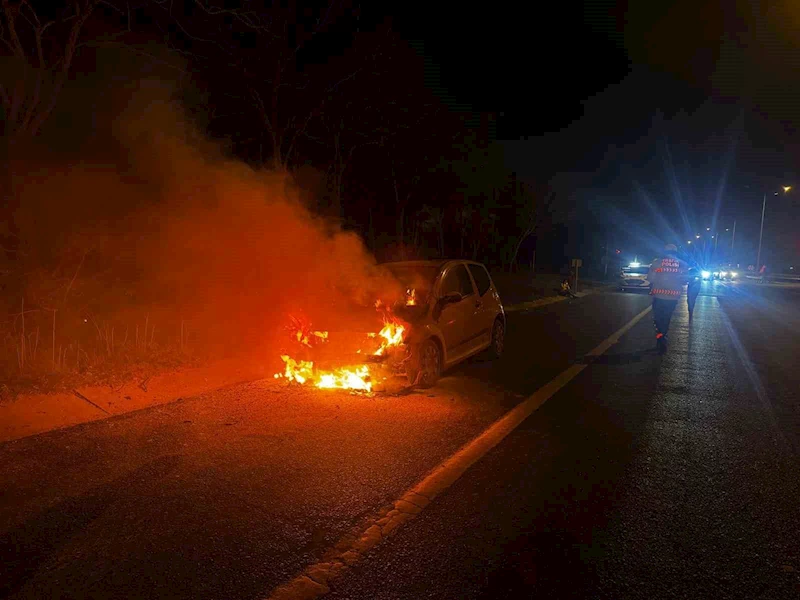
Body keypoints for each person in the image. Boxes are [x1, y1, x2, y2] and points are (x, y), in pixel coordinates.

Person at [648, 243, 689, 353]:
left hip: (659, 296)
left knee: (658, 319)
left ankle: (660, 337)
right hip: (672, 298)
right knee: (666, 318)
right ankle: (663, 336)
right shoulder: (683, 264)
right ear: (676, 252)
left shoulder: (657, 262)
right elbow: (685, 280)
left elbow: (650, 279)